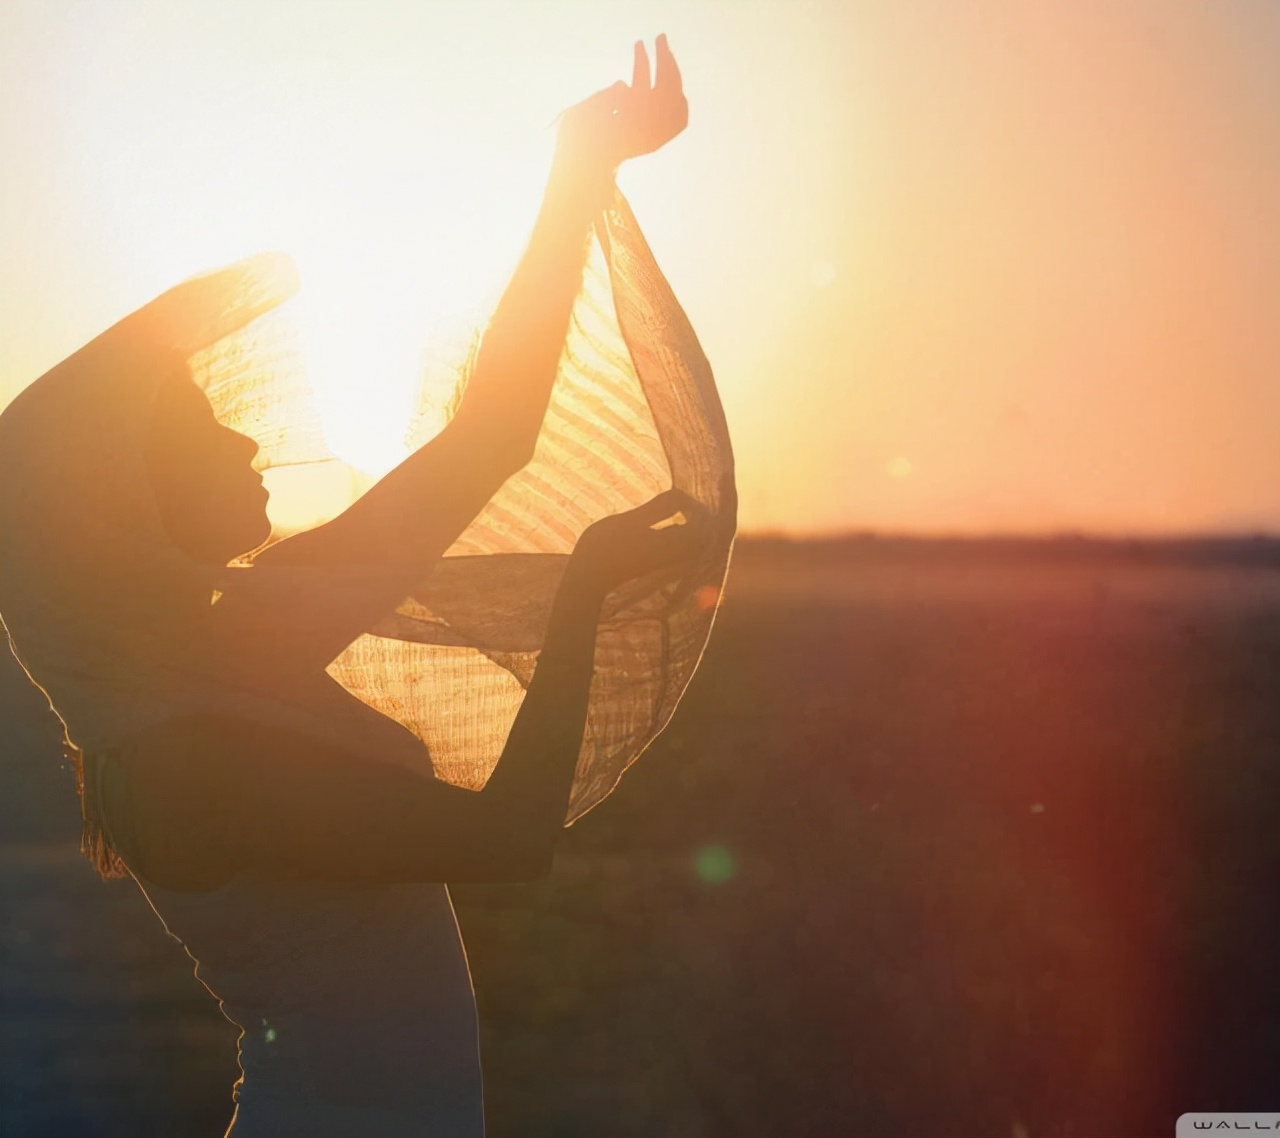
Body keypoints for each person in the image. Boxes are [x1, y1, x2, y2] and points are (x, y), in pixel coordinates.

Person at [0, 36, 732, 1138]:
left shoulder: (240, 639)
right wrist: (577, 592)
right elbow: (506, 838)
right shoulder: (190, 758)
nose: (247, 437)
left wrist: (576, 175)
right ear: (126, 513)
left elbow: (490, 437)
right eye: (202, 434)